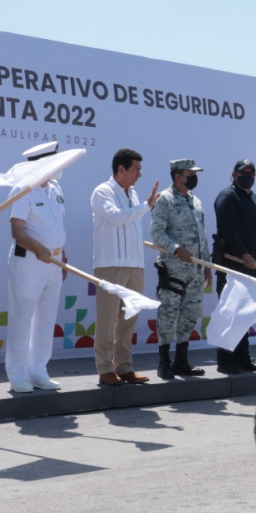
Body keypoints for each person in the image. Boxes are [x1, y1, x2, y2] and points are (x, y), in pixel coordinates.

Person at [91, 148, 159, 386]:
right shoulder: (102, 191)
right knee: (107, 319)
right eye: (136, 169)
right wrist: (145, 206)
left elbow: (130, 221)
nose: (139, 175)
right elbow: (115, 217)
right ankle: (105, 368)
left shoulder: (133, 193)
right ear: (121, 169)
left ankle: (124, 366)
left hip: (134, 265)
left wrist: (143, 205)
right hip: (110, 265)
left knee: (129, 319)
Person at [5, 141, 68, 393]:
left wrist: (62, 254)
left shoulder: (55, 188)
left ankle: (38, 370)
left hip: (53, 262)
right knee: (23, 317)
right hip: (29, 261)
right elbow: (17, 230)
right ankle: (17, 373)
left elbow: (57, 228)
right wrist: (39, 248)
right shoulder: (23, 189)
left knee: (46, 317)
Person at [151, 158, 211, 380]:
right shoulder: (165, 199)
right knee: (168, 313)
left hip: (195, 270)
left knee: (190, 314)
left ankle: (181, 361)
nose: (194, 178)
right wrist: (176, 249)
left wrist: (207, 265)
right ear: (177, 176)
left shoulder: (196, 202)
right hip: (174, 269)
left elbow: (202, 235)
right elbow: (157, 233)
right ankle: (164, 362)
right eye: (190, 174)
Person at [212, 158, 256, 374]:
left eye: (252, 173)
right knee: (229, 313)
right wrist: (243, 254)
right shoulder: (227, 197)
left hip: (252, 265)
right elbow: (229, 230)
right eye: (244, 172)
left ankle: (243, 358)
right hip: (232, 263)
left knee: (243, 315)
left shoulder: (255, 199)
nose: (248, 176)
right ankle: (226, 360)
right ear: (234, 174)